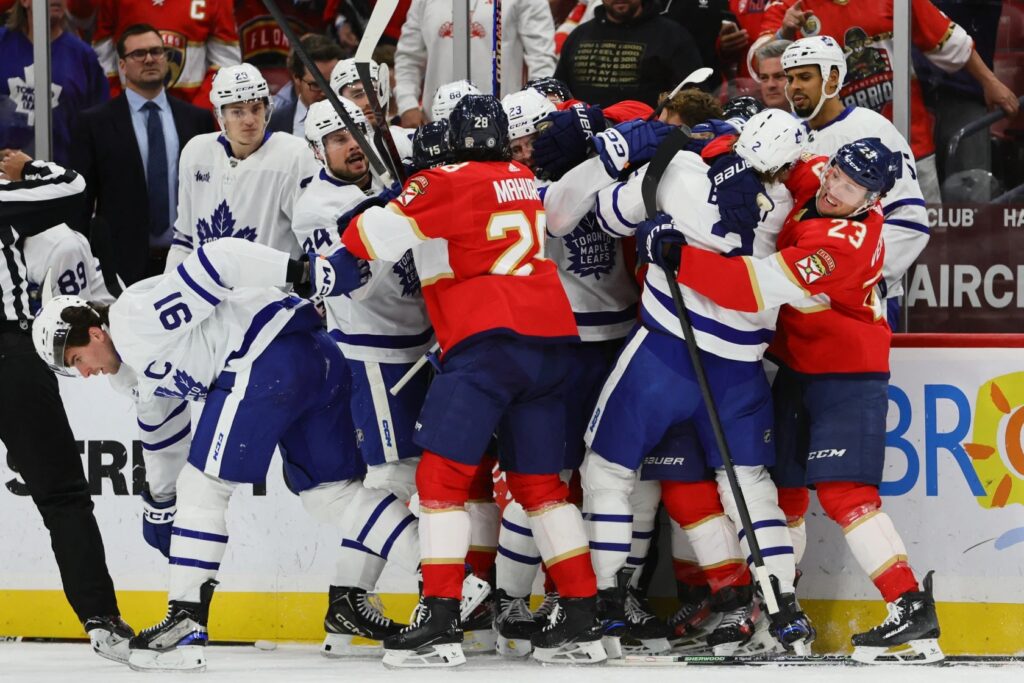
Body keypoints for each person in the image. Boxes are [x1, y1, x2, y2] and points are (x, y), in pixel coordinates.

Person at [30, 236, 434, 672]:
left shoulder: (132, 318)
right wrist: (159, 502)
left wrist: (303, 273)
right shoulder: (130, 375)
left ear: (94, 331)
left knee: (202, 487)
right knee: (330, 494)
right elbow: (164, 439)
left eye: (77, 359)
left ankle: (185, 623)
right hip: (316, 358)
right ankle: (449, 586)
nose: (85, 373)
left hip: (269, 357)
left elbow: (219, 261)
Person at [335, 94, 606, 668]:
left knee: (439, 481)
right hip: (551, 343)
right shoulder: (521, 175)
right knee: (540, 487)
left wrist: (385, 204)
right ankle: (582, 614)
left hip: (486, 347)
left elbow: (365, 241)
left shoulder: (443, 181)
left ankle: (438, 619)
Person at [651, 137, 943, 665]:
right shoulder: (817, 177)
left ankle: (910, 606)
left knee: (845, 494)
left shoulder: (842, 244)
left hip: (847, 377)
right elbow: (782, 156)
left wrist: (682, 259)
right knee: (784, 493)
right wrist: (717, 142)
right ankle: (778, 610)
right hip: (799, 370)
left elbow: (752, 288)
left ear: (871, 201)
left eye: (850, 187)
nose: (833, 188)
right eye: (836, 175)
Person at [542, 109, 813, 654]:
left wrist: (652, 180)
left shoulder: (680, 170)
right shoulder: (787, 207)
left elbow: (610, 216)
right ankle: (782, 611)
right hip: (740, 369)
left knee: (607, 470)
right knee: (751, 488)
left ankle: (608, 602)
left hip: (665, 356)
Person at [495, 87, 651, 657]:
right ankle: (511, 598)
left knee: (620, 482)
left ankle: (608, 595)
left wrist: (610, 130)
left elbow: (640, 121)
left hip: (619, 341)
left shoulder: (594, 166)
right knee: (543, 480)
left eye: (538, 136)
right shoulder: (529, 188)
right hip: (556, 348)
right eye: (518, 143)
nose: (530, 150)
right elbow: (562, 209)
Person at [292, 98, 435, 655]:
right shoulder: (316, 207)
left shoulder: (389, 173)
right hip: (373, 354)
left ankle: (347, 600)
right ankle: (354, 596)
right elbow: (352, 280)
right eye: (336, 139)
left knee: (412, 475)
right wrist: (392, 206)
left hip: (423, 344)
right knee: (392, 478)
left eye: (358, 133)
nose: (353, 145)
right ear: (316, 151)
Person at [0, 152, 132, 664]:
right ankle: (100, 618)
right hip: (11, 357)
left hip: (13, 357)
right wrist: (29, 167)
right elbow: (73, 186)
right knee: (63, 498)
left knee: (63, 499)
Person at [750, 0, 1020, 203]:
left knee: (923, 237)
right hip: (832, 152)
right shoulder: (791, 5)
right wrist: (784, 33)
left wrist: (990, 82)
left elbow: (949, 40)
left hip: (909, 143)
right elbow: (757, 64)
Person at [779, 36, 928, 329]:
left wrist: (861, 284)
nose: (794, 86)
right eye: (791, 77)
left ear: (832, 79)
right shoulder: (788, 135)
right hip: (800, 297)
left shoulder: (872, 130)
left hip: (859, 304)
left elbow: (911, 221)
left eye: (805, 77)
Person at [71, 23, 216, 285]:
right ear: (122, 65)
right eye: (138, 54)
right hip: (119, 269)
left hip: (190, 266)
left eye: (156, 51)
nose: (149, 58)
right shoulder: (94, 124)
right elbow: (81, 203)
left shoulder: (197, 120)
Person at [166, 63, 319, 271]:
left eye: (256, 109)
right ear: (221, 115)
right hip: (207, 297)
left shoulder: (296, 155)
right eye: (238, 112)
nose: (249, 120)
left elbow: (314, 239)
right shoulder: (196, 153)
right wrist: (170, 289)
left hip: (271, 299)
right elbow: (184, 239)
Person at [394, 0, 558, 128]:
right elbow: (408, 56)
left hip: (502, 124)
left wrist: (533, 111)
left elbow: (542, 59)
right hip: (439, 126)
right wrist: (407, 105)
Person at [0, 0, 110, 166]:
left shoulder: (84, 57)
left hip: (63, 177)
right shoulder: (2, 43)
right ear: (25, 2)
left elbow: (99, 124)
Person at [91, 0, 240, 109]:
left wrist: (199, 113)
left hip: (192, 114)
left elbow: (226, 64)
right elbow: (102, 61)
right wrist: (118, 106)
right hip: (127, 116)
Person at [554, 0, 704, 108]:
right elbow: (557, 92)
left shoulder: (672, 36)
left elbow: (696, 98)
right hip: (581, 139)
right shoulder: (579, 35)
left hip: (648, 141)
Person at [268, 34, 344, 136]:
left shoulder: (357, 116)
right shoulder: (275, 124)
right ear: (297, 78)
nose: (325, 92)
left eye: (331, 83)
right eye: (316, 85)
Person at [753, 38, 792, 110]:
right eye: (764, 78)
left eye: (779, 76)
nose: (770, 85)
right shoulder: (753, 120)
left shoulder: (816, 120)